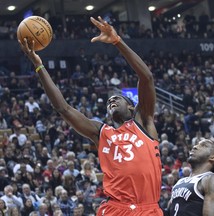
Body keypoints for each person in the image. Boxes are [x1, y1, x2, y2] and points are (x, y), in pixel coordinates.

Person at [19, 16, 162, 216]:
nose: (111, 101)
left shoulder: (143, 121)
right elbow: (64, 108)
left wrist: (117, 41)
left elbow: (146, 77)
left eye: (117, 99)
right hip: (115, 208)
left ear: (132, 108)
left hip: (149, 208)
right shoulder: (101, 132)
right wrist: (39, 66)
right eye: (108, 101)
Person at [167, 139, 214, 216]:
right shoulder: (180, 181)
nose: (194, 147)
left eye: (204, 145)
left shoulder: (210, 179)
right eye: (197, 144)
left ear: (213, 157)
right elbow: (168, 212)